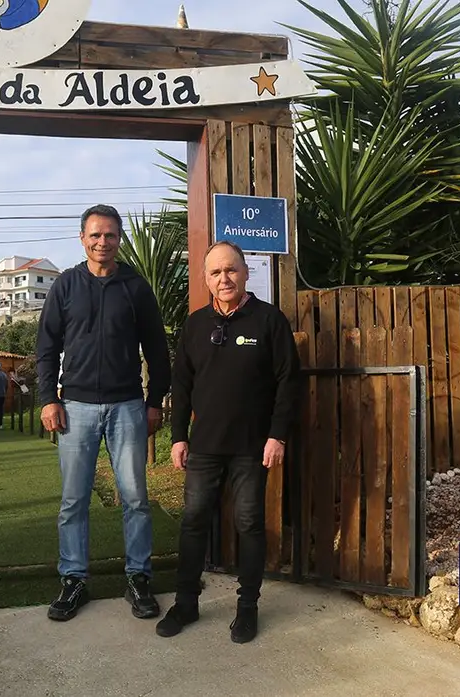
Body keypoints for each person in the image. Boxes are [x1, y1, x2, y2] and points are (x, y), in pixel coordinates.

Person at [155, 241, 300, 644]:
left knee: (250, 523)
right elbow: (181, 386)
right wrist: (178, 436)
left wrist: (278, 435)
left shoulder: (269, 321)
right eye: (215, 272)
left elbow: (289, 381)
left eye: (231, 270)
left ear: (245, 272)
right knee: (193, 521)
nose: (224, 279)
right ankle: (186, 602)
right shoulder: (195, 325)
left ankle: (247, 609)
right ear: (205, 279)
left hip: (253, 447)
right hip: (203, 447)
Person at [36, 204, 172, 622]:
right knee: (74, 500)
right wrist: (48, 398)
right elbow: (46, 348)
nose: (102, 242)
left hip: (128, 406)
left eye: (110, 235)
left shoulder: (135, 286)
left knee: (135, 498)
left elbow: (157, 350)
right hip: (74, 407)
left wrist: (154, 402)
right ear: (82, 238)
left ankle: (138, 578)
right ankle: (74, 579)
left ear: (119, 240)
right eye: (95, 235)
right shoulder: (65, 287)